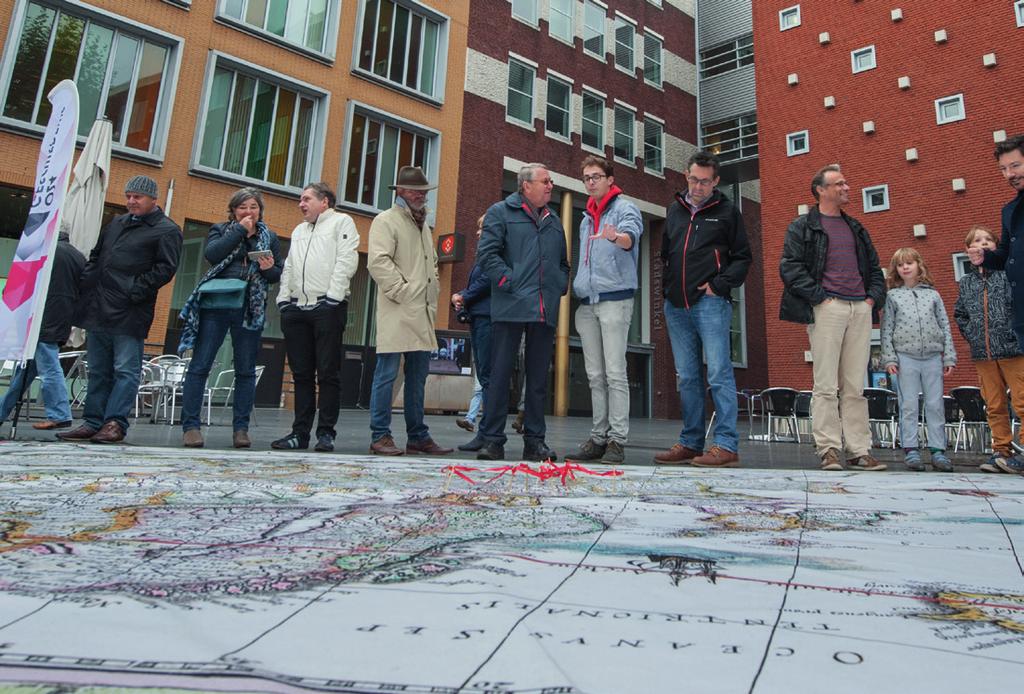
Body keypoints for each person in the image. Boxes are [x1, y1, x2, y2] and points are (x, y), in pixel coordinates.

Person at [779, 164, 887, 472]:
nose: (846, 188)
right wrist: (820, 298)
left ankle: (859, 451)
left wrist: (870, 300)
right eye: (839, 184)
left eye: (846, 182)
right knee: (825, 384)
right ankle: (828, 449)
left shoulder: (856, 227)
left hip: (859, 309)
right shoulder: (803, 226)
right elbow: (790, 267)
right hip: (827, 308)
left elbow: (875, 270)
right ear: (821, 191)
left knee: (855, 385)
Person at [58, 175, 183, 444]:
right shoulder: (116, 223)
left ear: (153, 199)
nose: (131, 201)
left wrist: (133, 290)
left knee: (126, 369)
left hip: (130, 311)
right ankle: (93, 421)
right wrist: (88, 283)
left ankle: (115, 422)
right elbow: (96, 255)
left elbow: (165, 269)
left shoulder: (167, 230)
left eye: (137, 197)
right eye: (128, 196)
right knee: (98, 370)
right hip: (99, 306)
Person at [653, 151, 751, 468]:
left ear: (715, 181)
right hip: (676, 305)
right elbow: (666, 253)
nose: (697, 186)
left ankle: (725, 444)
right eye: (693, 179)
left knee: (720, 373)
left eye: (704, 181)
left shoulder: (727, 212)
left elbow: (742, 257)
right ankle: (692, 442)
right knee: (687, 377)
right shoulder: (675, 210)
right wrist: (667, 289)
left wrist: (719, 285)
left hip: (710, 303)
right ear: (686, 175)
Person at [475, 163, 569, 462]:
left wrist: (559, 286)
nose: (550, 185)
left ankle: (535, 442)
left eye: (551, 180)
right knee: (501, 375)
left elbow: (563, 263)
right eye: (545, 181)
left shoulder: (554, 220)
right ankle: (492, 440)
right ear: (526, 185)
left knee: (539, 380)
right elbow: (486, 255)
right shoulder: (500, 212)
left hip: (543, 309)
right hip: (510, 305)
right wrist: (508, 281)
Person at [177, 188, 283, 449]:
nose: (249, 212)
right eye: (243, 207)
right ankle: (191, 426)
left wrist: (270, 269)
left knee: (245, 370)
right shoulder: (221, 230)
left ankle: (241, 429)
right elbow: (212, 255)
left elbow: (276, 274)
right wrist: (239, 231)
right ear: (234, 210)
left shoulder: (270, 237)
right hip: (217, 304)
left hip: (250, 307)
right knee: (200, 365)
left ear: (260, 210)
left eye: (254, 207)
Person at [367, 166, 452, 456]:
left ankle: (417, 435)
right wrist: (403, 291)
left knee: (418, 378)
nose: (421, 195)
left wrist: (433, 290)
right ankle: (380, 434)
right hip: (398, 309)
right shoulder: (386, 220)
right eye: (415, 190)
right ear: (400, 191)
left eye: (424, 192)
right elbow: (378, 262)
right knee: (387, 374)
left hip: (421, 311)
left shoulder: (423, 226)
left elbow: (432, 266)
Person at [272, 183, 358, 452]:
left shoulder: (342, 222)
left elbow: (346, 259)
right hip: (296, 309)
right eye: (300, 199)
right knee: (301, 374)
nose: (301, 204)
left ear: (325, 202)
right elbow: (289, 267)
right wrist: (284, 300)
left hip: (326, 307)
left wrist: (333, 297)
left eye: (307, 199)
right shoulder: (299, 230)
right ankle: (300, 433)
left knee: (328, 373)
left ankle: (326, 433)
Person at [569, 156, 643, 465]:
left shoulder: (625, 209)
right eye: (586, 177)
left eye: (597, 176)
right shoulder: (587, 218)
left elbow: (630, 239)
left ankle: (617, 440)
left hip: (615, 299)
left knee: (615, 373)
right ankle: (598, 436)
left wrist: (617, 237)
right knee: (594, 375)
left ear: (610, 179)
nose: (591, 182)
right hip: (588, 304)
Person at [880, 248, 956, 472]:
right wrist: (889, 358)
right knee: (909, 404)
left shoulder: (933, 295)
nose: (905, 267)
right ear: (896, 270)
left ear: (918, 265)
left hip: (932, 356)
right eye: (901, 265)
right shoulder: (893, 296)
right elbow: (887, 329)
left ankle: (937, 450)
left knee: (934, 404)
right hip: (905, 357)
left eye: (909, 263)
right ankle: (911, 448)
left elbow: (945, 325)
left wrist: (948, 356)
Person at [956, 225, 1024, 474]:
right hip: (983, 354)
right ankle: (1001, 451)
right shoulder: (966, 282)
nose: (983, 244)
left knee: (1022, 400)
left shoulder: (1008, 275)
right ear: (968, 249)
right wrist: (973, 336)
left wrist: (1014, 332)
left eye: (988, 240)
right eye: (977, 240)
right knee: (994, 405)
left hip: (1013, 349)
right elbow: (960, 314)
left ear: (997, 247)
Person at [0, 232, 85, 430]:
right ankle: (2, 411)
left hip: (40, 316)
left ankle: (60, 413)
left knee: (47, 366)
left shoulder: (42, 251)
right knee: (26, 372)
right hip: (61, 317)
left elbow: (18, 283)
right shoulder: (78, 257)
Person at [452, 214, 492, 451]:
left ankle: (487, 434)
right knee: (485, 376)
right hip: (479, 317)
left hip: (488, 319)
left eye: (482, 229)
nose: (478, 233)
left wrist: (464, 295)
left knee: (487, 376)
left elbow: (487, 280)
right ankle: (485, 433)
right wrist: (462, 295)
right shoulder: (483, 255)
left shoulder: (493, 253)